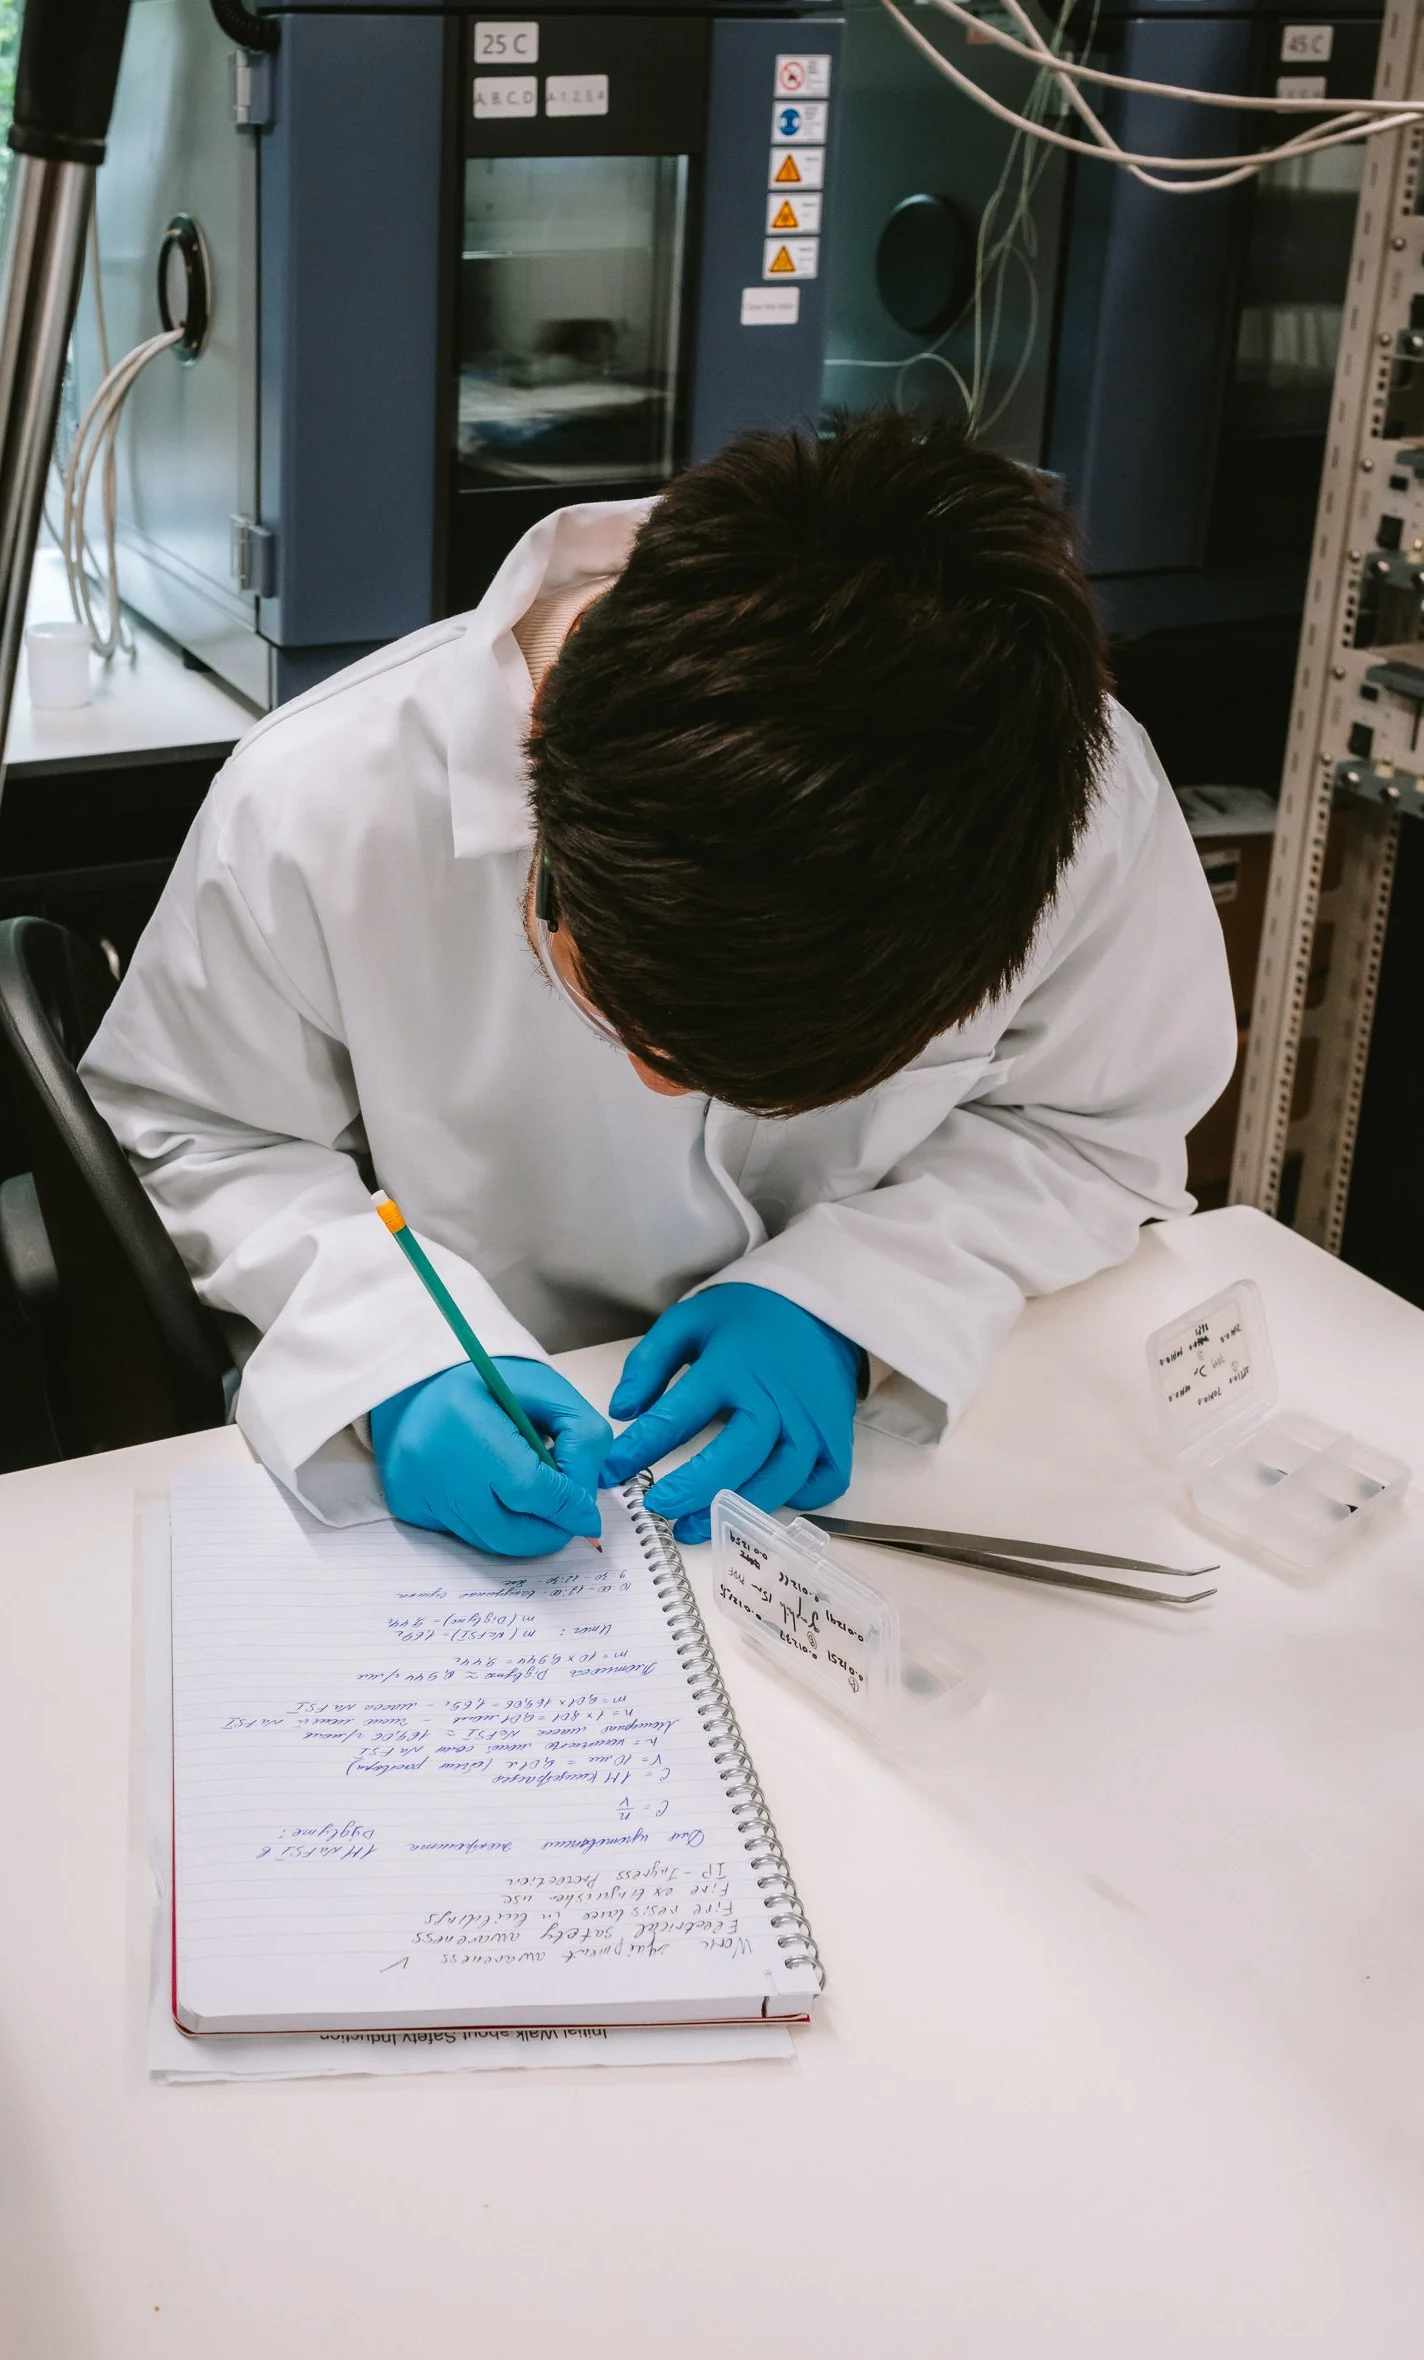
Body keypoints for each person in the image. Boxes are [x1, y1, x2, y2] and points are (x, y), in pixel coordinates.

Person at [81, 412, 1236, 1556]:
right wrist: (388, 1353)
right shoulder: (315, 802)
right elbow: (201, 1127)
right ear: (544, 830)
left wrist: (854, 1302)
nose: (646, 1081)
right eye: (618, 1015)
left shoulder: (1077, 806)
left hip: (870, 1489)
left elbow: (1091, 1123)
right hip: (481, 1464)